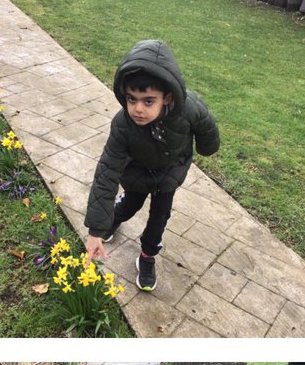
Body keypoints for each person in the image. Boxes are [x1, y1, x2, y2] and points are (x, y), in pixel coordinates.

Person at [84, 40, 219, 295]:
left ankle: (147, 256)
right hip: (136, 174)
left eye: (148, 101)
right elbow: (107, 173)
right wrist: (95, 230)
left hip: (169, 174)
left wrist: (207, 146)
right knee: (129, 204)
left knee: (159, 217)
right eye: (131, 99)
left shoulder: (188, 108)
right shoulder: (123, 125)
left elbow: (207, 125)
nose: (137, 109)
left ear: (167, 96)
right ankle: (113, 221)